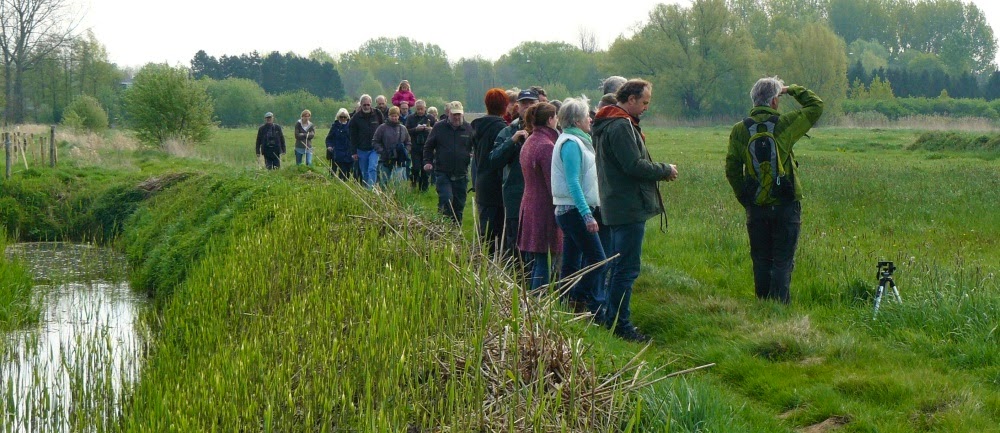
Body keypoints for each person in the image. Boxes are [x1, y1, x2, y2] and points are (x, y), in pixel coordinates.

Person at [593, 79, 677, 342]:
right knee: (626, 269)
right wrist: (665, 170)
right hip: (626, 207)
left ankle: (611, 318)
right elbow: (633, 165)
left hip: (619, 204)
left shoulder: (611, 122)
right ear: (630, 99)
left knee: (620, 267)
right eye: (644, 102)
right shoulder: (620, 125)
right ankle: (620, 325)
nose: (646, 108)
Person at [725, 77, 823, 304]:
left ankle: (762, 306)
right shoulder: (784, 124)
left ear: (753, 100)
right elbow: (816, 106)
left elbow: (732, 169)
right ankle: (778, 309)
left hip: (756, 206)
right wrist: (792, 89)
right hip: (786, 203)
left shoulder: (739, 130)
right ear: (775, 102)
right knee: (782, 261)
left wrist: (746, 199)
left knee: (760, 260)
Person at [552, 96, 606, 319]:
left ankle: (563, 306)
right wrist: (587, 214)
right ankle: (576, 297)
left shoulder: (576, 140)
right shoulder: (571, 144)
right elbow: (573, 182)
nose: (590, 120)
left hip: (570, 210)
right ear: (576, 120)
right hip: (573, 211)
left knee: (571, 262)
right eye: (586, 116)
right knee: (598, 261)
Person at [490, 88, 539, 262]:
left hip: (540, 199)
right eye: (524, 104)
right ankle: (517, 285)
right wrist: (512, 142)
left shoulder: (545, 131)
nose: (528, 107)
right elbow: (494, 160)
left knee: (537, 247)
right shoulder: (508, 131)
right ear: (517, 107)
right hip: (515, 196)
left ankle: (538, 284)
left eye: (532, 103)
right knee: (516, 246)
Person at [518, 102, 562, 291]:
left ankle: (535, 302)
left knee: (539, 260)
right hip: (543, 209)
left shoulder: (530, 140)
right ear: (551, 119)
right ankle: (538, 305)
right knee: (542, 261)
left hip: (530, 204)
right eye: (556, 116)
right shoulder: (546, 146)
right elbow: (553, 184)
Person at [471, 88, 510, 254]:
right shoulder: (501, 128)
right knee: (498, 233)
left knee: (485, 231)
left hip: (481, 182)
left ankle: (482, 265)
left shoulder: (477, 126)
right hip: (496, 185)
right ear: (504, 106)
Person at [423, 101, 473, 224]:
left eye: (459, 114)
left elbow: (475, 146)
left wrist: (473, 154)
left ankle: (456, 234)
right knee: (446, 200)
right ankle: (442, 229)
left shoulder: (468, 128)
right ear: (448, 114)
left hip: (461, 174)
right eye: (454, 114)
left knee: (459, 206)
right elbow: (428, 146)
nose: (456, 117)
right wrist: (427, 161)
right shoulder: (439, 127)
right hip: (443, 172)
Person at [349, 94, 385, 188]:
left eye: (368, 104)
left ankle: (372, 189)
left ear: (371, 104)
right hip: (362, 149)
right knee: (364, 172)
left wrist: (383, 145)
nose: (366, 106)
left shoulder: (377, 114)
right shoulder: (355, 118)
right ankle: (366, 189)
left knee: (372, 168)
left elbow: (383, 128)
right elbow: (352, 136)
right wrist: (354, 152)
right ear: (361, 105)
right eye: (364, 105)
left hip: (375, 148)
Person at [373, 106, 411, 188]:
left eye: (396, 116)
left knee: (397, 183)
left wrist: (405, 151)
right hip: (385, 159)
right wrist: (382, 151)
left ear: (398, 116)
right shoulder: (382, 128)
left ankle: (396, 199)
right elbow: (375, 141)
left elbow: (408, 142)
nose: (394, 118)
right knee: (383, 182)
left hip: (399, 159)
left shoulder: (403, 128)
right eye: (392, 116)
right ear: (389, 116)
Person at [406, 100, 435, 192]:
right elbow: (406, 131)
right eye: (418, 109)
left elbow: (438, 130)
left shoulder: (430, 118)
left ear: (425, 108)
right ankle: (413, 182)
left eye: (421, 109)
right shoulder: (410, 118)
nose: (419, 111)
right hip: (415, 147)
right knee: (416, 167)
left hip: (427, 147)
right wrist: (416, 129)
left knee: (425, 169)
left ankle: (424, 189)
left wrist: (431, 129)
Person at [325, 108, 354, 180]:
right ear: (338, 117)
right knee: (341, 169)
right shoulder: (335, 126)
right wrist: (329, 146)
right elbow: (329, 138)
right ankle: (339, 182)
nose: (343, 118)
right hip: (338, 151)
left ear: (347, 117)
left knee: (348, 170)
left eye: (345, 117)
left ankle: (345, 182)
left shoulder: (351, 126)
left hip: (348, 151)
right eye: (341, 117)